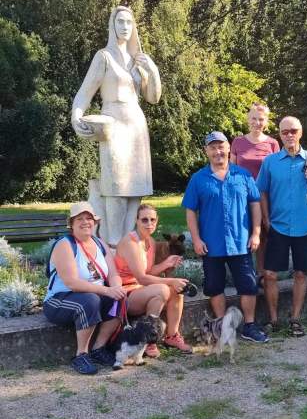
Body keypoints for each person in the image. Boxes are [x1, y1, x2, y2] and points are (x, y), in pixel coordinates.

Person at [72, 5, 161, 247]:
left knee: (134, 192)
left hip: (136, 127)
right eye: (120, 22)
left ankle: (128, 245)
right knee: (115, 189)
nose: (125, 27)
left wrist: (152, 71)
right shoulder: (104, 57)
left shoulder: (137, 60)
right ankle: (112, 244)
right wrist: (76, 116)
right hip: (113, 124)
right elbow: (84, 93)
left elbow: (153, 97)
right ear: (112, 25)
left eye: (129, 22)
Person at [183, 131, 268, 343]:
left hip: (240, 242)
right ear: (206, 151)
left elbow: (255, 204)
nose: (217, 151)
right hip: (211, 245)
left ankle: (249, 326)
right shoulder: (198, 179)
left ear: (229, 148)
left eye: (221, 146)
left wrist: (256, 233)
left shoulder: (243, 175)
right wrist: (196, 239)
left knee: (248, 285)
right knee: (214, 287)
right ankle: (222, 327)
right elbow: (190, 211)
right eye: (212, 147)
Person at [257, 116, 307, 336]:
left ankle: (295, 319)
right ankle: (273, 320)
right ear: (280, 135)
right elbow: (261, 191)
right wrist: (266, 219)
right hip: (278, 226)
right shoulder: (270, 162)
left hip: (305, 226)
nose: (289, 135)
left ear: (300, 132)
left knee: (301, 274)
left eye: (293, 131)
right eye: (285, 132)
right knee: (269, 274)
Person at [43, 202, 126, 375]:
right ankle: (81, 355)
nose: (85, 222)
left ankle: (98, 349)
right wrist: (107, 290)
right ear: (71, 224)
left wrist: (116, 288)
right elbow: (72, 283)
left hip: (92, 296)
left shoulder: (99, 243)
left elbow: (113, 274)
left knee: (118, 299)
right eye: (79, 219)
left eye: (89, 218)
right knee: (90, 300)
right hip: (59, 300)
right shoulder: (65, 244)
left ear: (95, 222)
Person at [114, 204, 192, 356]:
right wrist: (171, 281)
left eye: (152, 220)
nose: (149, 223)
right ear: (136, 221)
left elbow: (148, 271)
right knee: (162, 289)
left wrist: (166, 263)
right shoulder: (130, 243)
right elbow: (142, 278)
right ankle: (149, 340)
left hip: (141, 290)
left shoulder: (150, 241)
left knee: (178, 290)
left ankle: (172, 336)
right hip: (125, 293)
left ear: (157, 221)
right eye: (144, 220)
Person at [231, 102, 280, 285]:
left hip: (265, 197)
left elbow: (277, 172)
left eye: (261, 119)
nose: (257, 122)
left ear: (266, 121)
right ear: (248, 119)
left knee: (264, 238)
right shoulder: (238, 142)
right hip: (242, 198)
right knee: (243, 234)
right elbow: (231, 170)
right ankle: (245, 276)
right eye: (254, 118)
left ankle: (262, 275)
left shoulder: (273, 143)